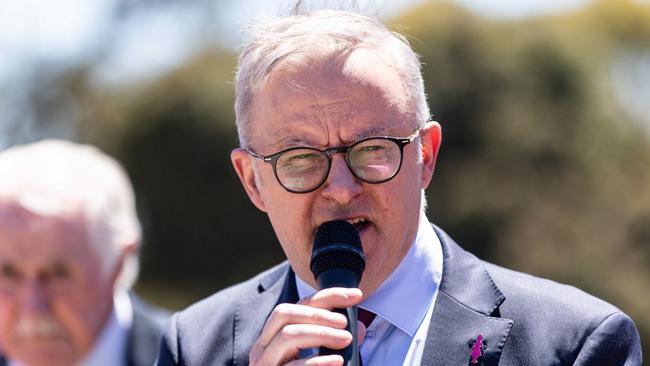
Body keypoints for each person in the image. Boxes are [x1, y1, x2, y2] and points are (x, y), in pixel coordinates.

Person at [155, 9, 642, 366]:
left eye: (371, 149)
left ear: (425, 156)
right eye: (300, 159)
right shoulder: (194, 346)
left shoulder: (576, 343)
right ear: (253, 181)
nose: (341, 189)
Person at [0, 140, 169, 366]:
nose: (32, 309)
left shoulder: (197, 358)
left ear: (119, 264)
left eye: (59, 273)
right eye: (8, 273)